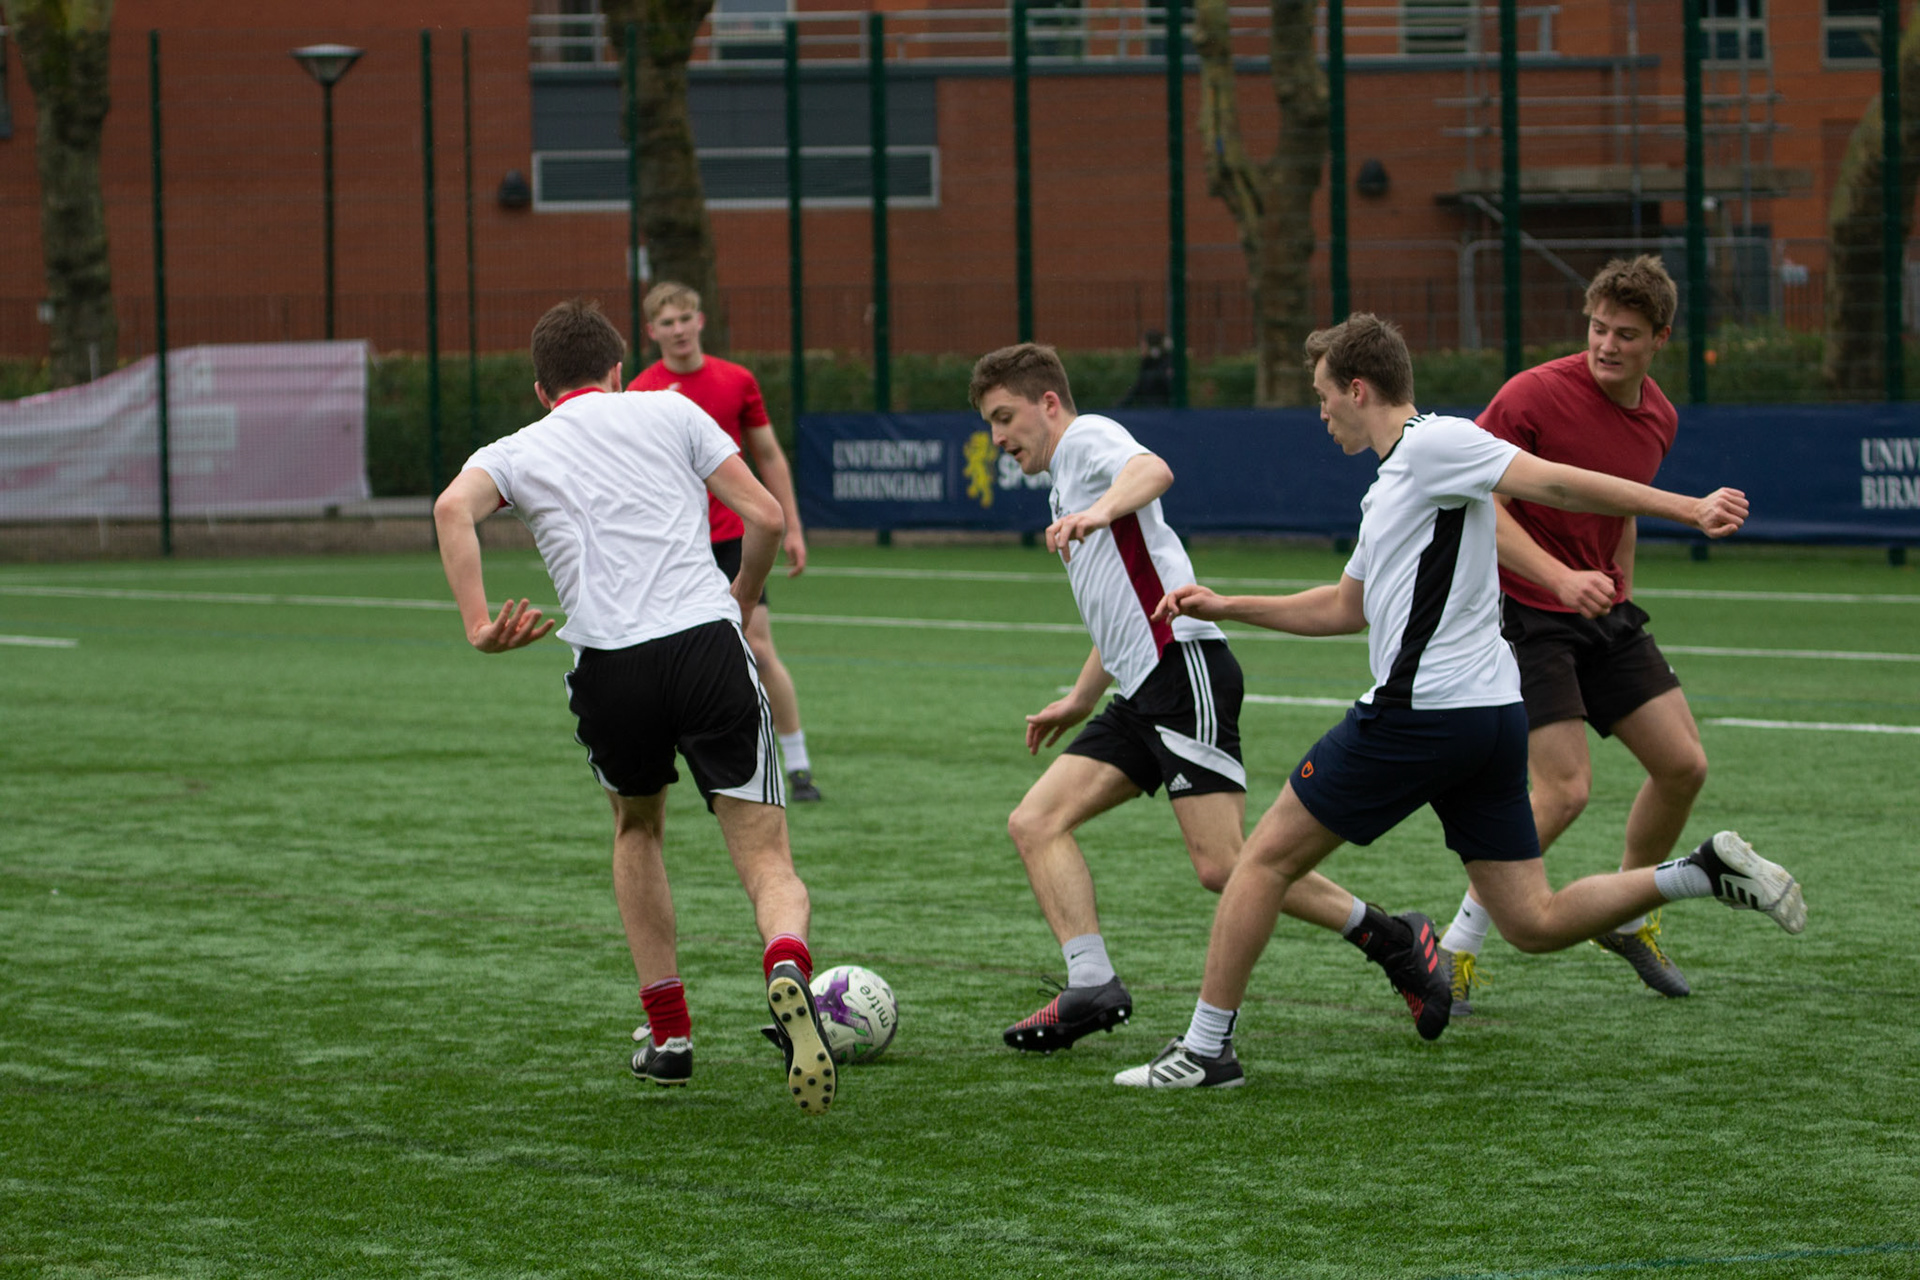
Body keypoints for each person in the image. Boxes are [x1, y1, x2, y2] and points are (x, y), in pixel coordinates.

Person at [1113, 313, 1805, 1089]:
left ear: (1358, 388)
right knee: (1531, 921)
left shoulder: (1434, 444)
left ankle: (1207, 1051)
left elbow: (1556, 481)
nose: (1320, 414)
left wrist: (1688, 508)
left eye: (1323, 396)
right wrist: (1229, 604)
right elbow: (1346, 608)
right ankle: (1701, 871)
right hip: (1490, 721)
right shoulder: (1392, 486)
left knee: (1257, 861)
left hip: (1418, 717)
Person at [970, 342, 1443, 1056]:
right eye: (989, 425)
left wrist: (1098, 513)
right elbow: (1127, 606)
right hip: (1143, 687)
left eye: (1005, 417)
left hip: (1185, 672)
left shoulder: (1088, 439)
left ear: (1048, 403)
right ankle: (1091, 982)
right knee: (1035, 821)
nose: (999, 438)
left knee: (1226, 867)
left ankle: (1392, 937)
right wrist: (1078, 696)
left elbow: (1153, 470)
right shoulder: (1066, 484)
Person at [433, 298, 837, 1113]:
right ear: (620, 370)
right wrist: (744, 593)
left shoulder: (518, 447)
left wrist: (480, 626)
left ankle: (671, 1035)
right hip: (705, 646)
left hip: (610, 665)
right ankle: (786, 961)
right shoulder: (671, 408)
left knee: (637, 827)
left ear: (542, 390)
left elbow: (451, 509)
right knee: (767, 861)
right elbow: (762, 514)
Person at [1439, 256, 1704, 1011]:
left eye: (1625, 334)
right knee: (1563, 791)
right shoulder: (1531, 395)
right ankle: (1455, 948)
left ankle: (1628, 915)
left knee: (1683, 764)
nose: (1606, 345)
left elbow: (1617, 507)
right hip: (1524, 611)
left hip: (1598, 611)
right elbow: (1475, 498)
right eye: (1597, 328)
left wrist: (1620, 582)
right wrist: (1556, 578)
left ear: (1659, 339)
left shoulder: (1660, 416)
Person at [628, 281, 824, 803]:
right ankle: (665, 767)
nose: (678, 329)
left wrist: (794, 528)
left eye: (685, 317)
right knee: (665, 653)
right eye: (667, 322)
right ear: (652, 332)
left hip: (736, 537)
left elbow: (770, 456)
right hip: (675, 545)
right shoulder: (641, 391)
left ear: (700, 321)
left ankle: (798, 765)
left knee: (757, 645)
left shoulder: (736, 380)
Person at [1118, 330, 1174, 409]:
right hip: (1146, 409)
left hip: (1161, 410)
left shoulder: (1166, 363)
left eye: (1144, 346)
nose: (1141, 349)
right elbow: (1137, 388)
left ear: (1153, 349)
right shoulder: (1147, 363)